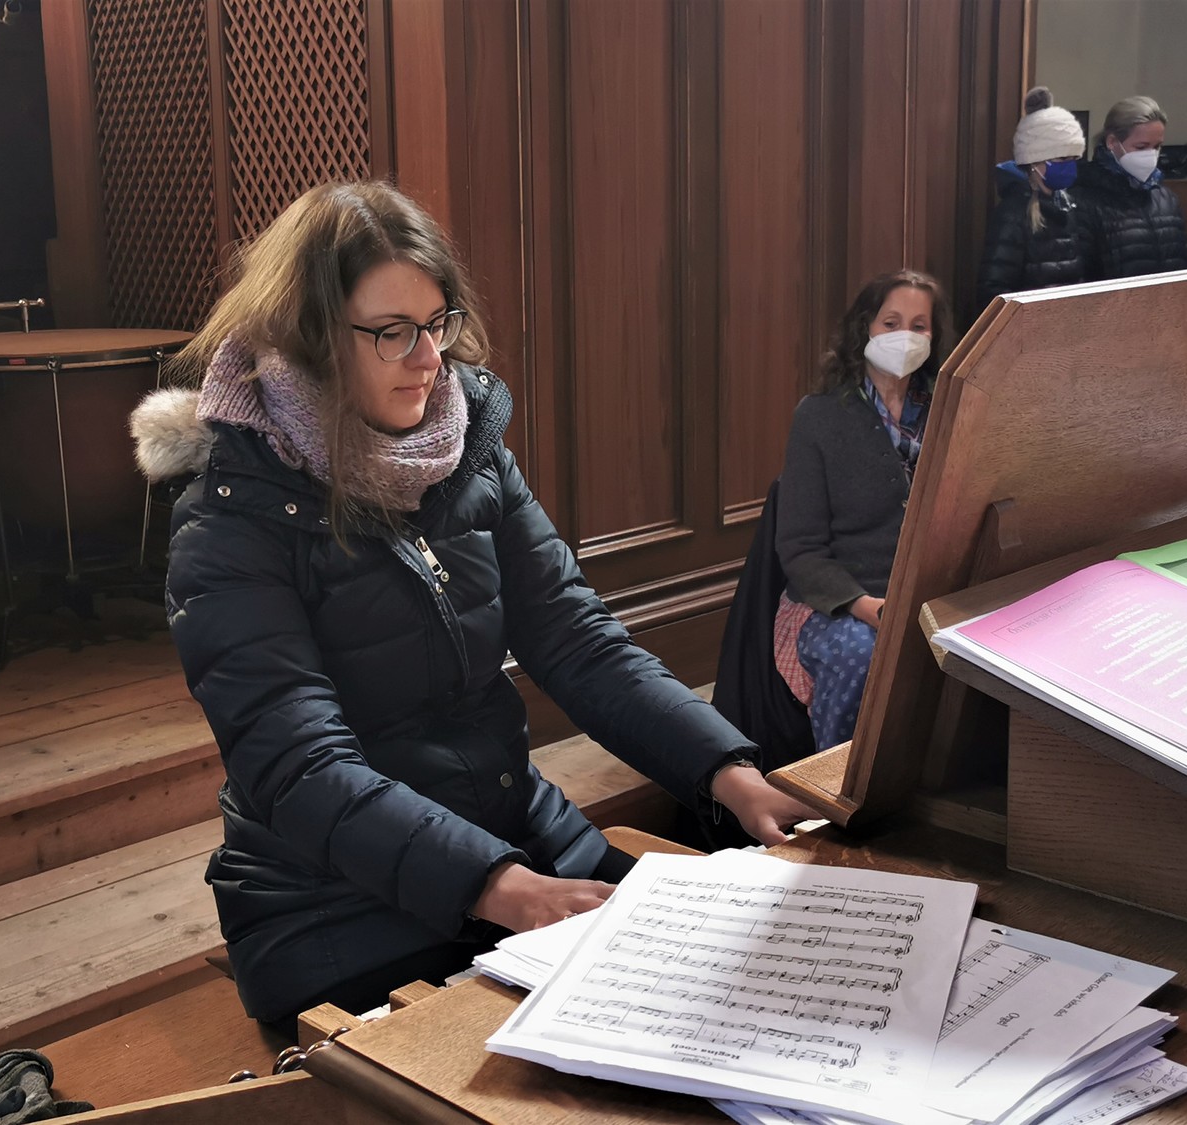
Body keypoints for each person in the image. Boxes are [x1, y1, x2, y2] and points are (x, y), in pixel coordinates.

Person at [127, 180, 810, 1025]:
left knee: (730, 988)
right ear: (310, 340)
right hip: (331, 908)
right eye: (392, 332)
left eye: (437, 322)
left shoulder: (466, 452)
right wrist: (499, 886)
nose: (429, 359)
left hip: (515, 831)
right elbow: (300, 768)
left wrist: (729, 773)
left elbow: (578, 640)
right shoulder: (231, 520)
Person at [773, 270, 952, 752]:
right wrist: (863, 605)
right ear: (865, 328)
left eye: (918, 326)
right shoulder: (819, 416)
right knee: (860, 656)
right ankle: (843, 787)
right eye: (890, 323)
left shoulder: (950, 411)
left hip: (929, 594)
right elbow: (801, 548)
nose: (904, 336)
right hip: (838, 602)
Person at [975, 86, 1092, 309]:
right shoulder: (1013, 214)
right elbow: (994, 291)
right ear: (1033, 161)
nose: (1068, 166)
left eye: (1073, 158)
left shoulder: (1072, 206)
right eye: (1060, 159)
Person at [1075, 95, 1187, 279]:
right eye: (1141, 147)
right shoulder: (1083, 200)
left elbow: (1183, 263)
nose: (1151, 155)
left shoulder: (1166, 199)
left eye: (1157, 146)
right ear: (1112, 142)